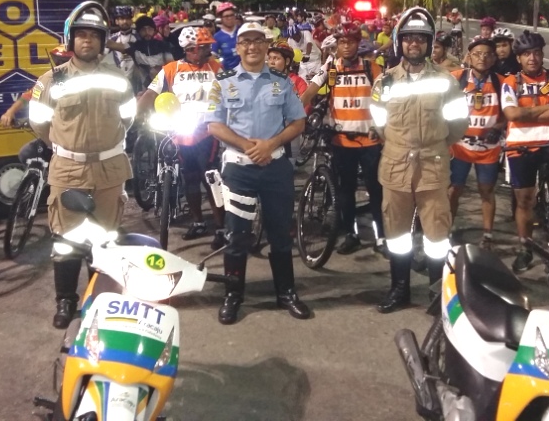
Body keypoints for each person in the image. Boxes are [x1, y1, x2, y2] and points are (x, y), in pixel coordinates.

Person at [28, 1, 136, 328]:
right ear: (71, 40)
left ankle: (101, 299)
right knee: (67, 240)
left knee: (105, 238)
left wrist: (102, 145)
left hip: (108, 169)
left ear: (103, 42)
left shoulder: (119, 79)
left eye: (94, 35)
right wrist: (67, 148)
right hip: (68, 170)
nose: (87, 41)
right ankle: (65, 301)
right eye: (81, 35)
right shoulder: (51, 80)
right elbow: (39, 123)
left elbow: (128, 118)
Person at [205, 22, 310, 325]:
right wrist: (248, 147)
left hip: (276, 166)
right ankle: (233, 295)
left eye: (257, 41)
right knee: (236, 236)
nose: (252, 47)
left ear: (266, 46)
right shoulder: (222, 81)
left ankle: (286, 292)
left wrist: (272, 144)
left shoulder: (282, 81)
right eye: (245, 42)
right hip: (238, 169)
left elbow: (297, 122)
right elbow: (214, 124)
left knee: (280, 234)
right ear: (237, 48)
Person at [369, 8, 468, 313]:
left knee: (437, 236)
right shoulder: (384, 83)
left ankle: (439, 296)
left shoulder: (446, 81)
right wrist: (401, 145)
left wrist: (433, 145)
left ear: (428, 44)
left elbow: (458, 124)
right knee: (397, 236)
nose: (414, 44)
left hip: (432, 167)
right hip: (396, 166)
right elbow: (379, 123)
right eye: (409, 38)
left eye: (420, 39)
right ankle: (399, 290)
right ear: (401, 43)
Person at [302, 23, 386, 255]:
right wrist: (295, 114)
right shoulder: (330, 67)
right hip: (341, 141)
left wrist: (381, 127)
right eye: (341, 42)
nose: (346, 46)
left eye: (350, 41)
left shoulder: (372, 68)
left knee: (376, 191)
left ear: (358, 44)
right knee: (344, 191)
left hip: (370, 142)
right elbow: (310, 91)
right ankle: (351, 234)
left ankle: (382, 238)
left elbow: (387, 101)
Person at [138, 27, 225, 239]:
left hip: (208, 132)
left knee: (210, 178)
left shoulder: (217, 66)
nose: (208, 50)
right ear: (190, 49)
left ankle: (223, 227)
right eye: (203, 47)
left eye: (208, 46)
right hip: (181, 132)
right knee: (190, 178)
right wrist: (136, 115)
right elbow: (151, 93)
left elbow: (233, 92)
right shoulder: (171, 69)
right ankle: (198, 222)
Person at [500, 30, 549, 273]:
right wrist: (545, 108)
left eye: (537, 53)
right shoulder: (510, 83)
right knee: (524, 201)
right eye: (526, 54)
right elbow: (512, 115)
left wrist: (526, 114)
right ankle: (525, 247)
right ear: (518, 58)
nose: (532, 58)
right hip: (520, 147)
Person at [449, 36, 504, 249]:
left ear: (494, 58)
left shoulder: (502, 82)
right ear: (468, 57)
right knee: (454, 190)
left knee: (486, 190)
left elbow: (509, 111)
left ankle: (488, 235)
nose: (482, 58)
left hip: (487, 148)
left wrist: (498, 127)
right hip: (460, 146)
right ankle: (447, 229)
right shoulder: (456, 78)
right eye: (477, 54)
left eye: (488, 54)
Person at [0, 45, 73, 163]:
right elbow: (29, 96)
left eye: (64, 61)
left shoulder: (81, 80)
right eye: (57, 61)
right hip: (50, 136)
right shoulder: (47, 80)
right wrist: (10, 112)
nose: (60, 64)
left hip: (71, 141)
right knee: (26, 153)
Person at [126, 15, 172, 94]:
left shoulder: (164, 46)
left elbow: (171, 66)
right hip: (142, 90)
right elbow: (118, 46)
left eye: (149, 29)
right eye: (143, 30)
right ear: (139, 31)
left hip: (162, 87)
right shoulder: (134, 47)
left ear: (154, 30)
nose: (147, 32)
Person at [104, 5, 136, 73]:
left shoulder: (138, 37)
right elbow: (101, 55)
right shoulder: (113, 38)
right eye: (122, 18)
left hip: (137, 77)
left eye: (127, 18)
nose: (125, 21)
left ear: (131, 21)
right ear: (116, 21)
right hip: (120, 75)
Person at [212, 2, 241, 70]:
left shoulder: (242, 31)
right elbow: (213, 56)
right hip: (228, 75)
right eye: (226, 16)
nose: (230, 18)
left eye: (232, 15)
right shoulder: (217, 37)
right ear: (221, 18)